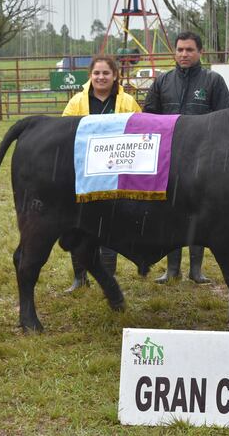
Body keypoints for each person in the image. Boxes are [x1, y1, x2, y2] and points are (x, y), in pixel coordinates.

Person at [143, 31, 229, 284]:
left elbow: (225, 119)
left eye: (189, 50)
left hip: (202, 160)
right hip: (168, 160)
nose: (184, 54)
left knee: (199, 213)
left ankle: (196, 270)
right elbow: (148, 116)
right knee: (171, 214)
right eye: (180, 49)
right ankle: (172, 269)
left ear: (199, 52)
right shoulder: (162, 81)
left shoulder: (213, 81)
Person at [61, 54, 142, 292]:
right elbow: (64, 131)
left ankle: (107, 279)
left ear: (115, 75)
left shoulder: (127, 101)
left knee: (109, 225)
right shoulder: (76, 101)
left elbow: (139, 129)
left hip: (114, 173)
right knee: (78, 224)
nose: (101, 77)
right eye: (96, 73)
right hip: (83, 172)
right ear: (90, 76)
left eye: (106, 73)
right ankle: (79, 277)